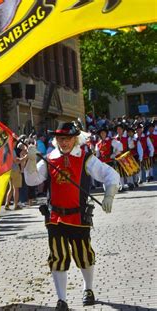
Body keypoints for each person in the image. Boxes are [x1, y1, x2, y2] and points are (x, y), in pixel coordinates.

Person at [24, 122, 119, 310]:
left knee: (83, 254)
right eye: (60, 139)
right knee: (57, 256)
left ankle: (88, 289)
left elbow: (110, 175)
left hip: (79, 217)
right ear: (56, 140)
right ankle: (62, 299)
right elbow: (32, 180)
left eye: (67, 138)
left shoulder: (86, 158)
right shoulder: (50, 158)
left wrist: (109, 195)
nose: (64, 142)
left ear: (75, 139)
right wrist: (31, 161)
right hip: (55, 217)